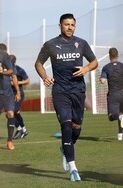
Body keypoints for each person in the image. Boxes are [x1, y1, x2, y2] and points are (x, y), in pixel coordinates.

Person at [34, 13, 98, 182]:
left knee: (76, 128)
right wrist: (45, 77)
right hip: (60, 91)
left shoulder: (81, 43)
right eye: (66, 24)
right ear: (60, 26)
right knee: (66, 127)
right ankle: (73, 168)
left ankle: (65, 148)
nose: (69, 27)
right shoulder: (51, 45)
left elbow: (94, 62)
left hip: (78, 90)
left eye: (72, 25)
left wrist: (85, 69)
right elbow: (38, 63)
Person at [0, 43, 21, 147]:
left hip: (8, 93)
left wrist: (18, 92)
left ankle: (10, 141)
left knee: (11, 114)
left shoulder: (10, 63)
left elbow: (14, 77)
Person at [99, 47, 123, 141]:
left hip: (113, 94)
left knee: (111, 116)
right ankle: (120, 134)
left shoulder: (106, 67)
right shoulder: (122, 66)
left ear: (109, 56)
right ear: (117, 55)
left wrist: (101, 79)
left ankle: (120, 117)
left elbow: (103, 81)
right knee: (122, 113)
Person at [9, 54, 30, 139]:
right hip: (9, 94)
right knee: (14, 113)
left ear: (14, 62)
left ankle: (20, 130)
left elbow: (28, 81)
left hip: (19, 94)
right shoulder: (5, 69)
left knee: (13, 112)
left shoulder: (19, 70)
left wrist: (16, 83)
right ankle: (23, 130)